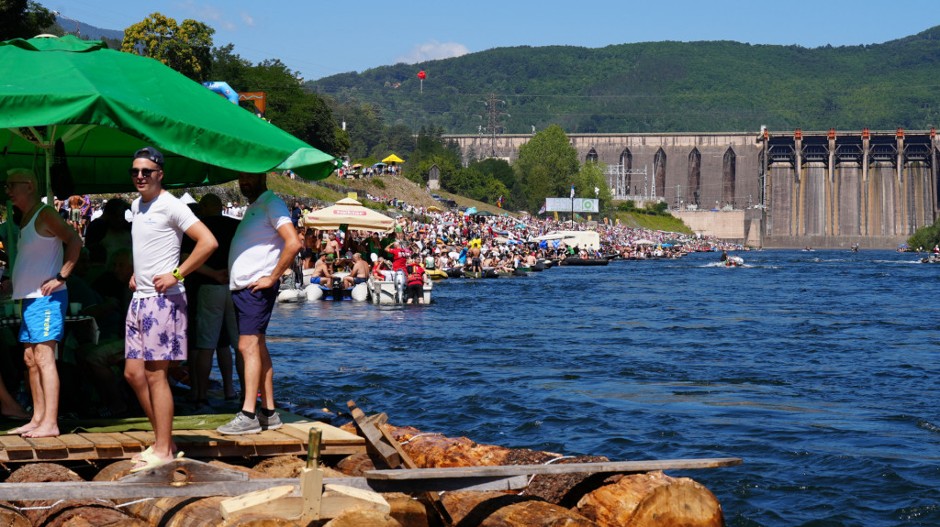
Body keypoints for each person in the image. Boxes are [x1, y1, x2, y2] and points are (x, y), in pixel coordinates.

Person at [124, 147, 218, 471]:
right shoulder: (136, 205)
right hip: (140, 298)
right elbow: (148, 246)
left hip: (164, 299)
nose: (140, 176)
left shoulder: (172, 205)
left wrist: (177, 274)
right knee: (133, 373)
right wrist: (137, 272)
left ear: (160, 174)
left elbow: (208, 242)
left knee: (156, 374)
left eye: (146, 171)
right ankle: (163, 440)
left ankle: (163, 448)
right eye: (135, 171)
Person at [218, 172, 300, 435]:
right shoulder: (257, 205)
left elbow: (293, 242)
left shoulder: (271, 203)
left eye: (249, 176)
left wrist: (272, 277)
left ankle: (248, 414)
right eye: (241, 177)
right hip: (246, 288)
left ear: (262, 176)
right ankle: (268, 412)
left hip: (255, 288)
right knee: (258, 346)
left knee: (247, 345)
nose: (244, 181)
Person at [4, 168, 82, 437]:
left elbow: (74, 240)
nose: (7, 190)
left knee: (44, 357)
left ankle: (50, 422)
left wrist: (62, 275)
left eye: (11, 185)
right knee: (30, 358)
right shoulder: (27, 217)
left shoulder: (45, 213)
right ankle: (37, 418)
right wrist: (14, 282)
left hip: (46, 298)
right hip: (30, 298)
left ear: (28, 185)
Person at [185, 193, 241, 407]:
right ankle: (241, 393)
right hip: (234, 286)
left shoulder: (197, 228)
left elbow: (187, 259)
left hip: (208, 286)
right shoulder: (235, 225)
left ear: (204, 208)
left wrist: (213, 274)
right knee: (238, 345)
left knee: (205, 345)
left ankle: (200, 394)